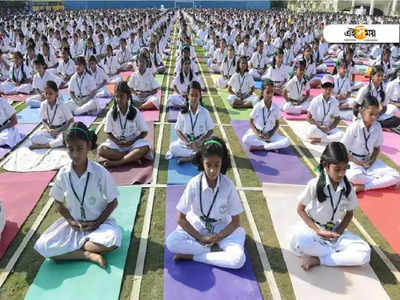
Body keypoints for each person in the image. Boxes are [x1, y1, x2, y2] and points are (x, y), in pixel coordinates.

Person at [34, 122, 121, 268]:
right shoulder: (63, 173)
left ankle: (67, 252)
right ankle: (86, 254)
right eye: (70, 149)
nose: (75, 154)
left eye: (80, 148)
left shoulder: (100, 172)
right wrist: (70, 221)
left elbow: (113, 202)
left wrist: (97, 222)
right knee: (42, 246)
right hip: (75, 226)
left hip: (99, 225)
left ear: (88, 146)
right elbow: (58, 203)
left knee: (113, 241)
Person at [166, 136, 246, 270]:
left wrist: (218, 237)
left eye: (217, 165)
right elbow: (181, 219)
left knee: (238, 260)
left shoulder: (228, 185)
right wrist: (200, 237)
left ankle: (194, 256)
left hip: (222, 227)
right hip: (198, 224)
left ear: (222, 163)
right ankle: (216, 253)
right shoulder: (194, 183)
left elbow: (235, 222)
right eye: (208, 165)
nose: (213, 170)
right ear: (202, 162)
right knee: (171, 243)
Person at [290, 142, 371, 271]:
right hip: (313, 231)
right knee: (303, 242)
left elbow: (349, 214)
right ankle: (337, 255)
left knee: (364, 254)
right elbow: (300, 209)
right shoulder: (315, 184)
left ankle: (319, 259)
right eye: (337, 169)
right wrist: (318, 231)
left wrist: (337, 232)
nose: (341, 174)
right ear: (326, 166)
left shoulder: (348, 187)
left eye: (345, 169)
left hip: (334, 232)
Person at [342, 95, 400, 192]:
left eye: (376, 114)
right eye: (371, 114)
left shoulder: (377, 126)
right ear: (362, 111)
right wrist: (358, 163)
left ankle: (364, 186)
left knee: (396, 176)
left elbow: (377, 148)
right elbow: (343, 150)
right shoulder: (354, 127)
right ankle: (380, 182)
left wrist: (370, 162)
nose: (374, 117)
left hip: (369, 161)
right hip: (352, 162)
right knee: (354, 177)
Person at [98, 81, 151, 168]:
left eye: (121, 96)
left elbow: (144, 132)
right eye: (116, 96)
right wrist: (116, 141)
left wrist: (132, 141)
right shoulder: (111, 113)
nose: (118, 99)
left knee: (145, 148)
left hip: (133, 143)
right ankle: (131, 157)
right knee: (101, 150)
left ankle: (117, 162)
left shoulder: (135, 112)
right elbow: (108, 132)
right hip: (118, 144)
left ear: (128, 97)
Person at [167, 81, 214, 164]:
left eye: (196, 95)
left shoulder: (205, 112)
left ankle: (192, 156)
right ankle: (196, 156)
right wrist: (186, 142)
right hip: (187, 142)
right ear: (188, 96)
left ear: (200, 96)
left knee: (212, 147)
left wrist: (200, 141)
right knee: (172, 148)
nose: (194, 98)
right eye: (192, 95)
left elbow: (210, 130)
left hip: (200, 142)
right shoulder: (183, 112)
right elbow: (178, 130)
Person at [242, 80, 290, 151]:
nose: (270, 95)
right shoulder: (257, 106)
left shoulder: (276, 108)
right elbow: (250, 122)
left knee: (287, 141)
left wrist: (270, 133)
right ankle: (270, 146)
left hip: (270, 135)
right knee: (245, 139)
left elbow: (277, 124)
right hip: (258, 134)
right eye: (267, 92)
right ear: (262, 93)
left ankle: (261, 147)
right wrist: (257, 133)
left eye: (272, 92)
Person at [29, 80, 73, 150]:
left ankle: (42, 146)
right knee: (32, 138)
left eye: (50, 93)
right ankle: (56, 143)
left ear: (56, 93)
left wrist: (59, 130)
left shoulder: (62, 104)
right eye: (46, 93)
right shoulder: (43, 104)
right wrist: (49, 130)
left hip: (62, 130)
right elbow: (44, 120)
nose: (48, 96)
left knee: (63, 138)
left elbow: (71, 120)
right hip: (51, 131)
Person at [354, 65, 400, 130]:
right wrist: (365, 115)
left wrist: (379, 113)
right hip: (364, 115)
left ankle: (375, 124)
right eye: (378, 76)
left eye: (382, 76)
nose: (381, 78)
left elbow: (384, 107)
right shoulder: (365, 89)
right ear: (372, 76)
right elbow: (355, 106)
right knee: (367, 120)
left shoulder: (383, 90)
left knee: (397, 120)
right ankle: (374, 124)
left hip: (377, 116)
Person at [306, 75, 343, 144]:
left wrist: (330, 127)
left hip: (329, 128)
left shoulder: (335, 101)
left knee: (342, 135)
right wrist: (319, 126)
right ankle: (330, 139)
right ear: (321, 87)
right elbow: (308, 118)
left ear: (332, 88)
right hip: (317, 127)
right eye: (326, 88)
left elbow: (337, 118)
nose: (328, 90)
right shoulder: (316, 100)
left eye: (330, 88)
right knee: (311, 130)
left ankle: (320, 140)